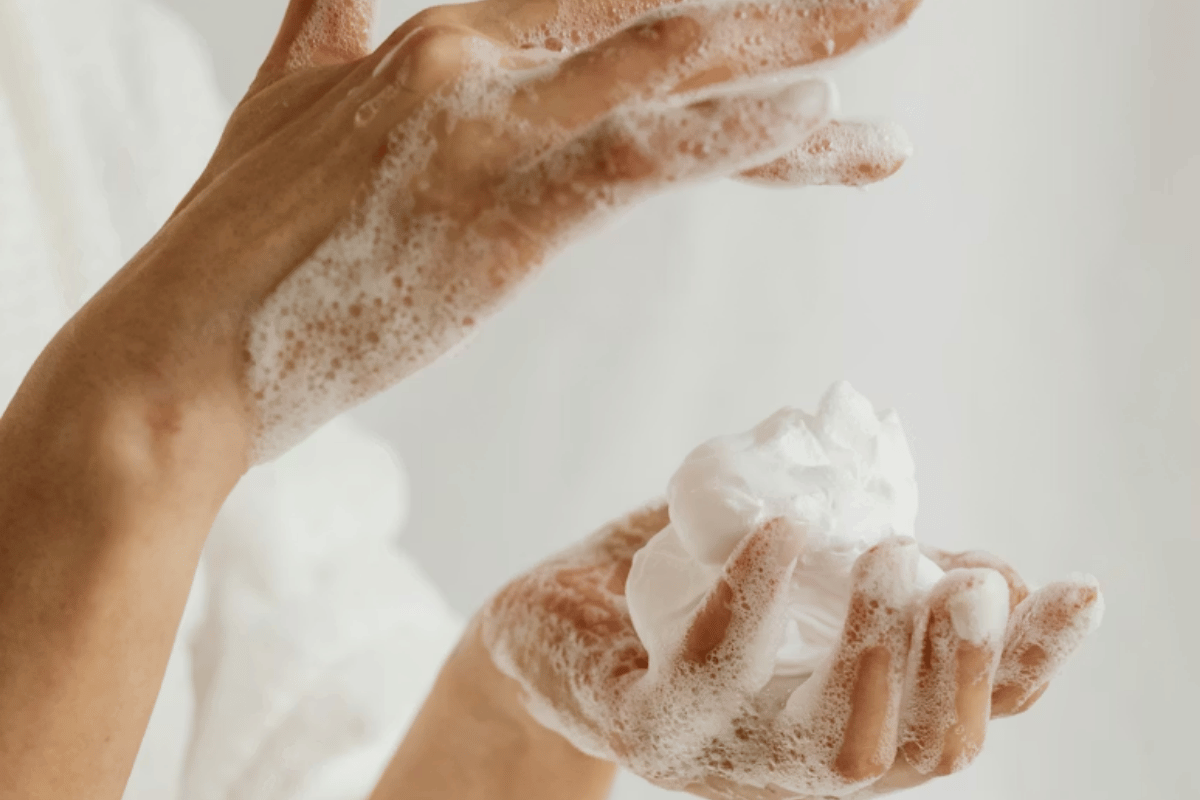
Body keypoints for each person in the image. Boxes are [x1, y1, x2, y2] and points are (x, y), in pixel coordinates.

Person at [0, 0, 1101, 799]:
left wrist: (522, 700)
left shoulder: (95, 76)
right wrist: (141, 413)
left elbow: (277, 739)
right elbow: (164, 421)